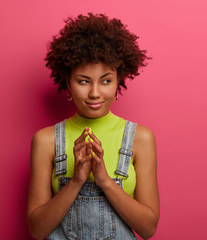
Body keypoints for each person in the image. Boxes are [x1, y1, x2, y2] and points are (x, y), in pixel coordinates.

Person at [27, 13, 159, 240]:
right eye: (84, 81)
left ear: (119, 81)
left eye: (106, 80)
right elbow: (37, 231)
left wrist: (105, 180)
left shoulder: (140, 138)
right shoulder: (46, 140)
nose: (95, 93)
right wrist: (76, 180)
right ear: (68, 82)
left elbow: (148, 229)